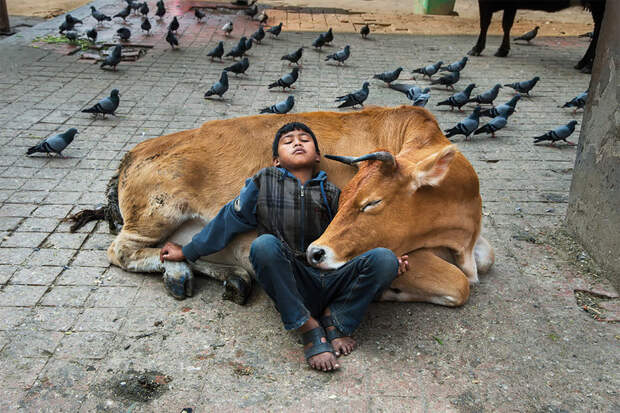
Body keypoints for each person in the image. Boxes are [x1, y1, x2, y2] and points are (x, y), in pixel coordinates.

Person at [160, 122, 409, 372]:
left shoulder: (333, 193)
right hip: (292, 281)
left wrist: (390, 264)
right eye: (288, 141)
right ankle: (307, 326)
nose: (297, 143)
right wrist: (187, 251)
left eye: (304, 139)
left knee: (385, 259)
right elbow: (228, 220)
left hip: (332, 278)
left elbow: (351, 236)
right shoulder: (263, 181)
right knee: (264, 245)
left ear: (318, 156)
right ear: (276, 160)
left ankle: (337, 321)